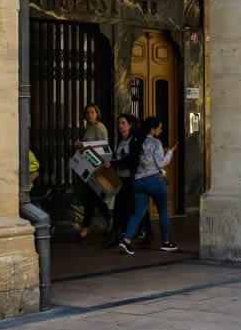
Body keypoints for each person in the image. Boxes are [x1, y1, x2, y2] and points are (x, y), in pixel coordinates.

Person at [117, 116, 179, 254]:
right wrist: (170, 152)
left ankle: (126, 240)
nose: (160, 130)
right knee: (163, 211)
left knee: (137, 213)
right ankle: (166, 242)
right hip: (155, 181)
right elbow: (161, 163)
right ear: (152, 129)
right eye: (159, 127)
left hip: (138, 182)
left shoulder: (135, 140)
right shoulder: (155, 142)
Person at [103, 113, 151, 248]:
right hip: (122, 178)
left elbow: (132, 160)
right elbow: (117, 157)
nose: (120, 126)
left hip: (132, 179)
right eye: (119, 123)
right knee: (127, 207)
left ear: (130, 125)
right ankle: (142, 232)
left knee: (128, 207)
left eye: (123, 123)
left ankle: (120, 235)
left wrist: (114, 164)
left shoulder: (134, 140)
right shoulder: (120, 140)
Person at [75, 103, 112, 242]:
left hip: (98, 167)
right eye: (87, 112)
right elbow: (89, 147)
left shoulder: (99, 128)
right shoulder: (89, 128)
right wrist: (81, 145)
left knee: (90, 198)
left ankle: (85, 228)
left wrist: (83, 145)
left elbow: (102, 146)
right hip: (90, 167)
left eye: (92, 112)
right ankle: (110, 219)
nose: (89, 115)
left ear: (97, 113)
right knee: (95, 198)